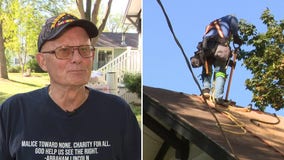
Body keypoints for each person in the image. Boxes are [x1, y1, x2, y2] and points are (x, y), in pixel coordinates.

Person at [0, 13, 141, 160]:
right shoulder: (14, 112)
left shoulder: (117, 112)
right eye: (64, 50)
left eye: (84, 49)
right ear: (42, 61)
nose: (77, 59)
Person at [191, 15, 242, 105]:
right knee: (220, 71)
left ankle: (206, 89)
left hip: (206, 47)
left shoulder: (214, 23)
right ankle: (218, 97)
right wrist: (236, 37)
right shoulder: (231, 18)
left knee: (207, 66)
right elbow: (234, 25)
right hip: (219, 46)